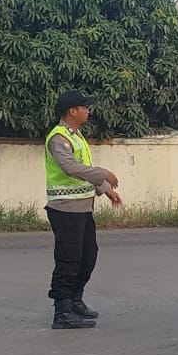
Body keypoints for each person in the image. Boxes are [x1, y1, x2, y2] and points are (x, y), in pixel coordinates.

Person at [44, 90, 122, 330]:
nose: (88, 111)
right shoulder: (59, 138)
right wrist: (103, 173)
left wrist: (105, 189)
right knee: (68, 259)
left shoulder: (75, 136)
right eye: (84, 107)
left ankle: (75, 300)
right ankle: (62, 310)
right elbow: (70, 167)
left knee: (88, 256)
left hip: (83, 208)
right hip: (65, 209)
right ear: (72, 111)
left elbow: (83, 168)